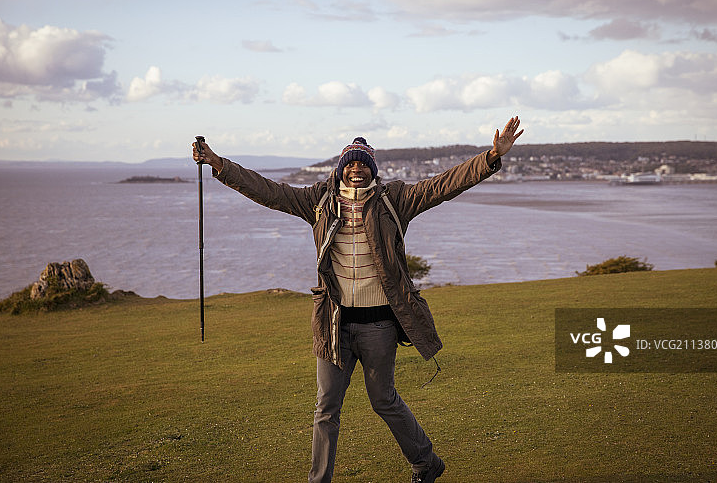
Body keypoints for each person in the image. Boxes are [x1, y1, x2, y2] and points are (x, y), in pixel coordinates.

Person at [192, 116, 524, 483]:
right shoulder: (318, 201)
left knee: (383, 399)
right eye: (350, 163)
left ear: (372, 171)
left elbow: (442, 185)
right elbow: (269, 190)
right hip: (334, 322)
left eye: (363, 164)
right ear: (340, 169)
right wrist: (219, 164)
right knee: (326, 408)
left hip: (379, 324)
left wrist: (491, 157)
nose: (356, 170)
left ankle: (427, 463)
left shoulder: (394, 199)